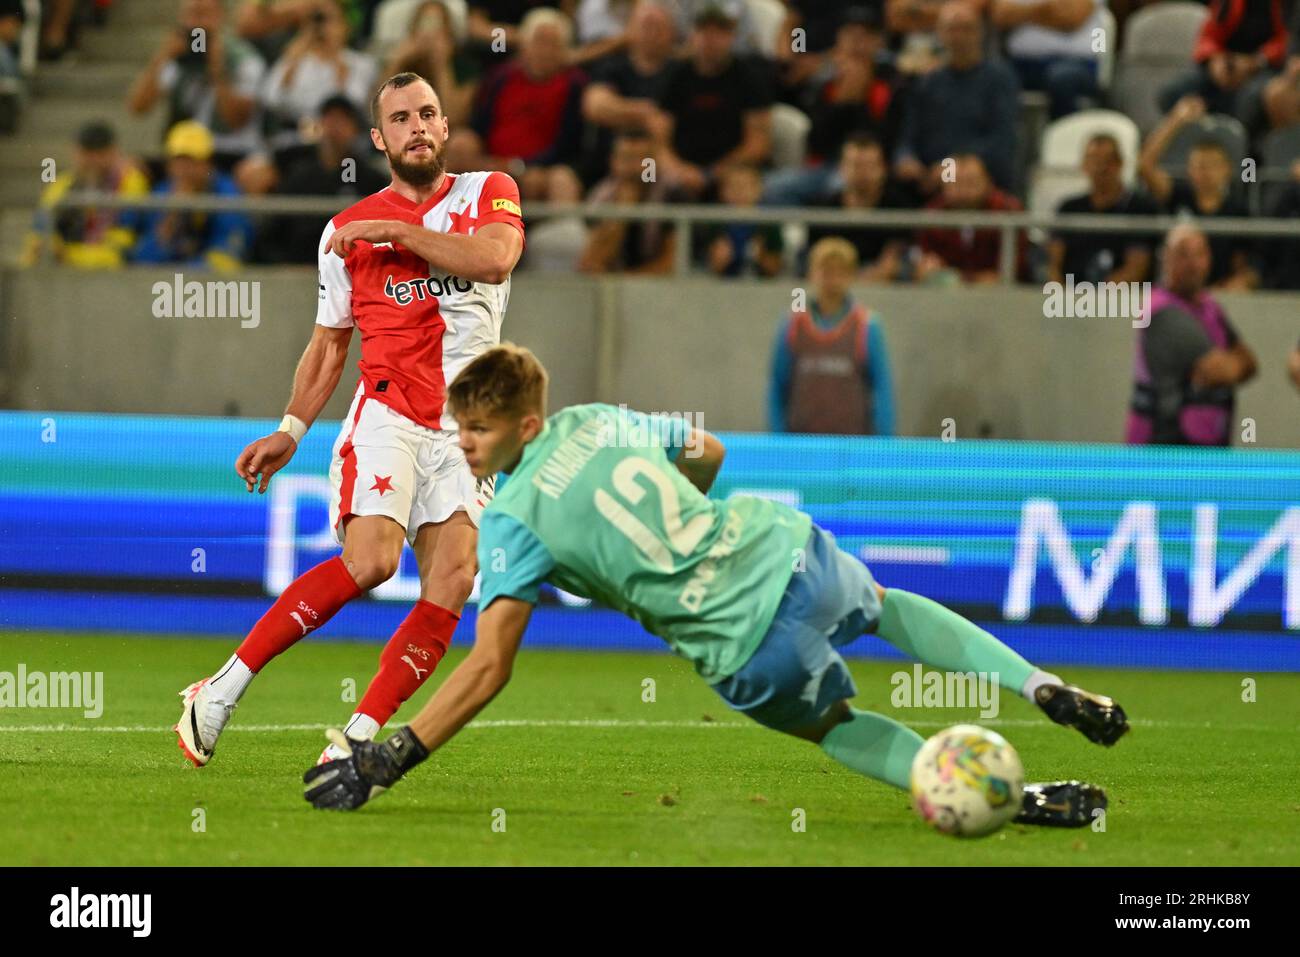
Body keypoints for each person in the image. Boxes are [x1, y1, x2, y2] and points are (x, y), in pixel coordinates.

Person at [300, 343, 1127, 817]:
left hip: (742, 644)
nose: (465, 445)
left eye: (476, 431)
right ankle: (1041, 684)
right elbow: (709, 452)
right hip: (783, 549)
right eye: (459, 429)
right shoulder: (596, 420)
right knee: (888, 607)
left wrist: (392, 756)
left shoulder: (512, 520)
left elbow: (487, 666)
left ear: (522, 424)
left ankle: (1012, 802)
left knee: (835, 726)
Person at [174, 71, 527, 768]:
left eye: (428, 113)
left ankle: (357, 740)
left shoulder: (489, 192)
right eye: (401, 118)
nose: (417, 127)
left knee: (453, 580)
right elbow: (330, 340)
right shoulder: (344, 233)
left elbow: (495, 260)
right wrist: (291, 426)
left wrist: (400, 226)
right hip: (390, 410)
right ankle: (219, 691)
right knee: (371, 561)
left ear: (446, 127)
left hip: (468, 428)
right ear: (379, 138)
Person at [1126, 225, 1258, 446]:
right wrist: (1233, 366)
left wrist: (1235, 366)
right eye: (1183, 254)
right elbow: (1223, 369)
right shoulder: (1160, 311)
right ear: (1166, 258)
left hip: (1207, 449)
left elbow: (1250, 363)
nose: (1193, 264)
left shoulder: (1211, 307)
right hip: (1163, 450)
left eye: (1200, 254)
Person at [770, 238, 895, 435]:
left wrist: (884, 446)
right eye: (826, 271)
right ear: (812, 273)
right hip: (800, 447)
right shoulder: (793, 324)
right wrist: (777, 441)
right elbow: (777, 385)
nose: (833, 280)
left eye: (841, 272)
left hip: (853, 447)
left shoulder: (868, 326)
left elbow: (882, 389)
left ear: (852, 276)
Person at [893, 0, 1019, 194]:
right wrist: (905, 158)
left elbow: (1001, 142)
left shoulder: (999, 78)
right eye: (952, 29)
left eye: (966, 29)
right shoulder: (927, 81)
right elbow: (908, 133)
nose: (958, 37)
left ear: (981, 33)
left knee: (961, 180)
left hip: (979, 179)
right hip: (928, 179)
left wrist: (947, 168)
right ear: (939, 34)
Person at [127, 0, 266, 171]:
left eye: (202, 14)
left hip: (230, 150)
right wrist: (161, 57)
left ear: (221, 17)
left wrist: (217, 69)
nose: (195, 24)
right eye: (190, 14)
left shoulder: (244, 59)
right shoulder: (179, 59)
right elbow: (138, 108)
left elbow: (236, 121)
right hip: (185, 150)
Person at [1138, 95, 1259, 290]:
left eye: (1213, 166)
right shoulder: (1177, 196)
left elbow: (1244, 267)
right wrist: (1176, 119)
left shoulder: (1237, 209)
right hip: (1175, 292)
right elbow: (1145, 165)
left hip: (1218, 296)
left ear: (1227, 170)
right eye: (1199, 166)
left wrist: (1233, 287)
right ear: (1189, 170)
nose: (1206, 173)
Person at [22, 122, 152, 269]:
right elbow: (41, 226)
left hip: (112, 261)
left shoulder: (129, 179)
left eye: (100, 153)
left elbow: (124, 236)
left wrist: (71, 255)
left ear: (113, 152)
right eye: (87, 153)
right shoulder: (64, 183)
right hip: (68, 256)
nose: (93, 160)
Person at [131, 121, 255, 271]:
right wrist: (170, 218)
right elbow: (142, 259)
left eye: (192, 161)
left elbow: (227, 255)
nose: (184, 169)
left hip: (214, 288)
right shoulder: (161, 193)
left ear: (208, 164)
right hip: (166, 284)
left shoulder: (228, 194)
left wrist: (179, 276)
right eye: (178, 160)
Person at [1049, 133, 1159, 286]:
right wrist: (1063, 297)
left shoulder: (1140, 208)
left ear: (1120, 164)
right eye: (1093, 161)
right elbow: (1053, 264)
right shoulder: (1068, 209)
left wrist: (1096, 300)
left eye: (1107, 161)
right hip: (1069, 300)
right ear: (1084, 165)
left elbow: (1136, 269)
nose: (1099, 168)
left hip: (1123, 301)